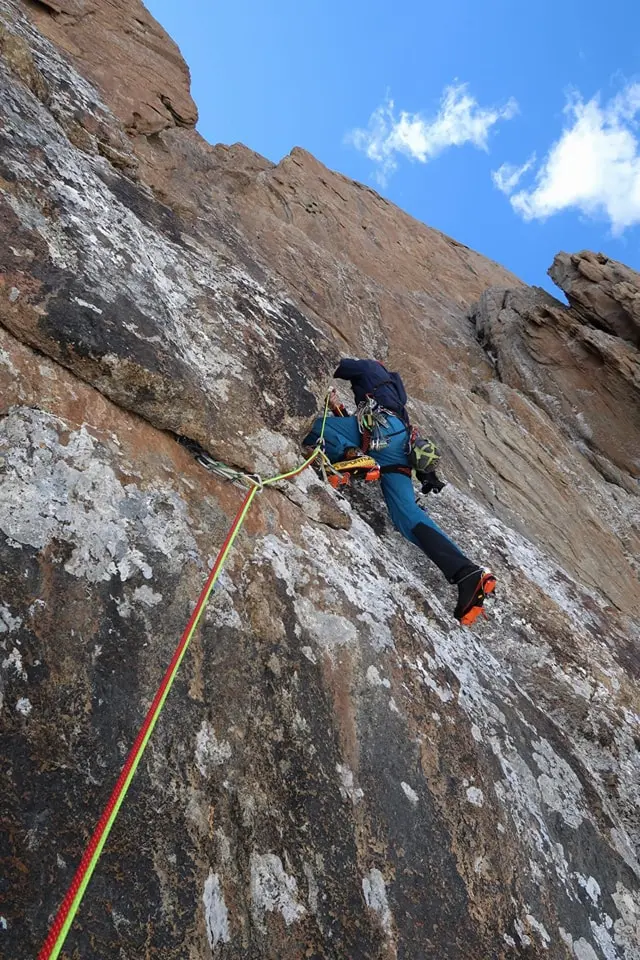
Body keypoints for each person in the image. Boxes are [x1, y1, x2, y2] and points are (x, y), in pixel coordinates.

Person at [303, 358, 496, 625]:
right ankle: (467, 573)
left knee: (313, 424)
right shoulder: (395, 395)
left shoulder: (370, 369)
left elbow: (322, 360)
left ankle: (351, 455)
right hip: (398, 447)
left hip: (380, 431)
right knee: (407, 515)